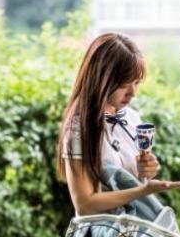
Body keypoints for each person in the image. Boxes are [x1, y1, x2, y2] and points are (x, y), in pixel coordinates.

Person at [56, 33, 169, 217]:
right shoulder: (78, 128)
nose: (132, 92)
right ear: (101, 78)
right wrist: (142, 191)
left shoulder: (132, 118)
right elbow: (84, 204)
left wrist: (146, 171)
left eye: (136, 82)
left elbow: (134, 180)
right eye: (124, 84)